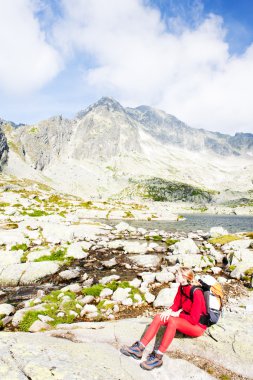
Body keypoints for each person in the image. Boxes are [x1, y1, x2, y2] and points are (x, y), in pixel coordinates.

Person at [120, 267, 207, 371]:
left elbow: (194, 319)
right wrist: (168, 311)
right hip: (187, 319)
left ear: (184, 277)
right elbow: (176, 304)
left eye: (177, 274)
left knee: (173, 321)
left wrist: (177, 315)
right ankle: (139, 348)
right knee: (159, 317)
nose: (175, 275)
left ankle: (158, 358)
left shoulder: (197, 293)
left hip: (197, 327)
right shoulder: (182, 287)